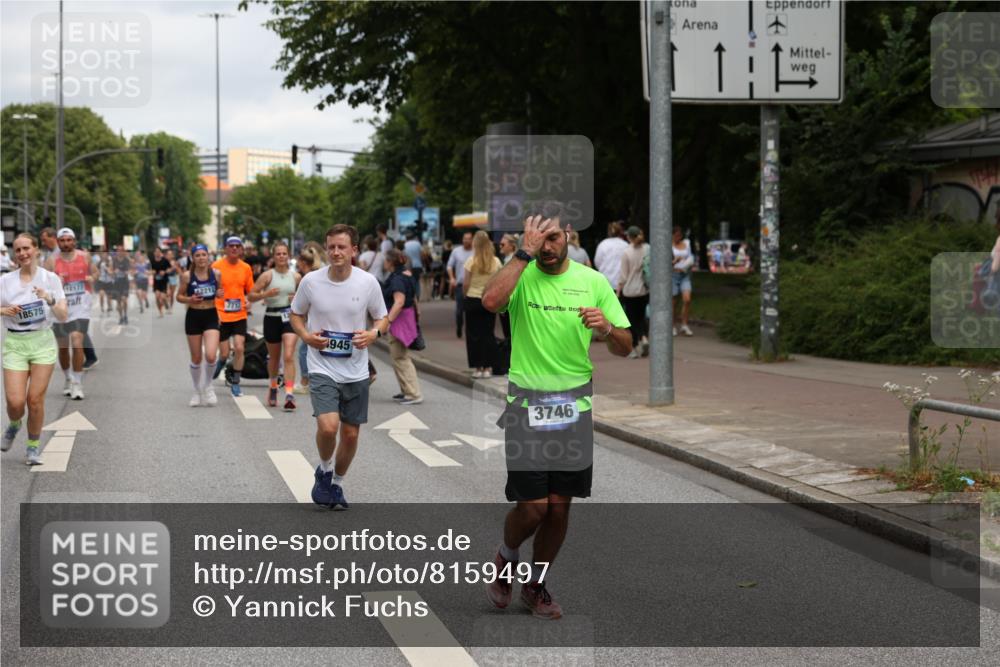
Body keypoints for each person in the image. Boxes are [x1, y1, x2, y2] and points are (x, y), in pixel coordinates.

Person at [481, 204, 632, 620]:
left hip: (573, 409)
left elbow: (626, 344)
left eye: (552, 238)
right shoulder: (521, 275)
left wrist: (606, 328)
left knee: (560, 508)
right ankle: (507, 555)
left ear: (568, 234)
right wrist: (521, 254)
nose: (546, 247)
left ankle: (536, 584)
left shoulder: (592, 281)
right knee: (533, 508)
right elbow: (491, 301)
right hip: (526, 405)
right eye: (537, 239)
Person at [289, 224, 388, 510]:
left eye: (342, 247)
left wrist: (374, 334)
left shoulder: (367, 282)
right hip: (321, 365)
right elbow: (296, 314)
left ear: (354, 250)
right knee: (329, 427)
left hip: (356, 369)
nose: (335, 252)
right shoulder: (311, 281)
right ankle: (324, 468)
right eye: (331, 246)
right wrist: (306, 336)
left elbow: (382, 318)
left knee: (351, 434)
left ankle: (337, 485)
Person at [2, 233, 68, 464]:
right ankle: (14, 424)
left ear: (36, 249)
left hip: (42, 342)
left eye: (26, 248)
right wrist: (3, 311)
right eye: (18, 250)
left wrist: (49, 298)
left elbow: (63, 314)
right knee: (15, 402)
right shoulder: (5, 281)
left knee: (35, 400)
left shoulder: (51, 279)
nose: (22, 253)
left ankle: (32, 448)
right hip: (15, 344)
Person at [248, 241, 301, 411]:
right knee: (274, 358)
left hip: (290, 318)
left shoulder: (296, 277)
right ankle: (272, 386)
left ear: (289, 256)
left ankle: (289, 393)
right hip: (271, 317)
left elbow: (306, 299)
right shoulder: (267, 276)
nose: (281, 257)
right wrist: (266, 294)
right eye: (278, 254)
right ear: (273, 257)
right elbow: (251, 296)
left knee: (289, 355)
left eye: (284, 253)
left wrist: (297, 300)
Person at [45, 228, 96, 400]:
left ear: (74, 241)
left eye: (69, 240)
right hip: (60, 309)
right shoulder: (52, 261)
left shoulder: (85, 256)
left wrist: (91, 278)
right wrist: (53, 281)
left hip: (81, 307)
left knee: (77, 340)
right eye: (63, 240)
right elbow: (43, 284)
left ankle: (77, 382)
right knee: (63, 348)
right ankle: (68, 377)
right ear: (58, 242)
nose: (66, 243)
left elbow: (95, 272)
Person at [176, 244, 221, 407]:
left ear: (208, 257)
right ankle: (196, 391)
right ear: (193, 258)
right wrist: (189, 299)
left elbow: (219, 292)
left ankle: (208, 386)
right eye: (198, 255)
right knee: (196, 358)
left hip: (211, 315)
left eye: (204, 255)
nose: (201, 258)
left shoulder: (216, 274)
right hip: (193, 316)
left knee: (210, 355)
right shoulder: (187, 276)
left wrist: (219, 294)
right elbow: (179, 297)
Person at [211, 236, 255, 397]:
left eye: (237, 246)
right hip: (221, 314)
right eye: (231, 246)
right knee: (223, 353)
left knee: (239, 347)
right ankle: (220, 363)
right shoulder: (216, 266)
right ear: (226, 248)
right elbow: (210, 289)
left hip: (239, 314)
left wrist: (249, 301)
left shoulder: (246, 268)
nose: (234, 248)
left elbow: (251, 291)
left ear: (241, 249)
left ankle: (235, 382)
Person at [382, 248, 423, 405]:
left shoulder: (397, 278)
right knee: (399, 356)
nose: (384, 262)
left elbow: (399, 301)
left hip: (399, 320)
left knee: (400, 357)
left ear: (391, 262)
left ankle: (413, 393)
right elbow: (413, 298)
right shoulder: (407, 274)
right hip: (408, 317)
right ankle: (406, 390)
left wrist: (388, 321)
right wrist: (417, 313)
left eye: (386, 259)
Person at [464, 230, 503, 378]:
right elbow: (499, 281)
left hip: (473, 299)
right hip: (490, 300)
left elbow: (466, 283)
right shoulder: (496, 262)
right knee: (488, 333)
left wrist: (466, 294)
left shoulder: (471, 261)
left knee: (473, 335)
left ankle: (478, 367)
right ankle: (488, 367)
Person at [293, 241, 328, 395]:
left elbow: (308, 302)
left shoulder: (309, 277)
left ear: (302, 262)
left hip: (318, 319)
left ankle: (306, 381)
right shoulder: (323, 270)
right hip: (326, 317)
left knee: (304, 349)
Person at [617, 226, 650, 358]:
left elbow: (623, 276)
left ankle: (634, 347)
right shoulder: (646, 249)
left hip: (629, 291)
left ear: (629, 237)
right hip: (643, 290)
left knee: (630, 320)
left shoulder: (627, 253)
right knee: (641, 317)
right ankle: (644, 337)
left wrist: (618, 290)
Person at [447, 231, 475, 338]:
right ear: (462, 240)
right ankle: (459, 327)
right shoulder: (456, 251)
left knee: (471, 310)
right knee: (459, 311)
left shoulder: (475, 252)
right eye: (465, 238)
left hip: (473, 286)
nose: (466, 241)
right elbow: (449, 266)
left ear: (472, 240)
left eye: (469, 238)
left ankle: (470, 331)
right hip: (460, 285)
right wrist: (451, 278)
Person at [672, 227, 695, 336]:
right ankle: (672, 325)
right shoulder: (669, 246)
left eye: (679, 235)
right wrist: (675, 261)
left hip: (684, 275)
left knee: (687, 299)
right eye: (676, 235)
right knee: (673, 302)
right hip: (673, 275)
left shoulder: (686, 243)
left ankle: (684, 325)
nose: (678, 237)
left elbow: (691, 257)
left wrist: (686, 264)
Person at [593, 221, 628, 289]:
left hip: (605, 283)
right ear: (620, 232)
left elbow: (597, 262)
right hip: (621, 285)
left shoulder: (603, 244)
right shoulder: (625, 245)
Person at [111, 245, 132, 325]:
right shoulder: (114, 260)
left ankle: (125, 315)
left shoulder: (127, 260)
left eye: (121, 250)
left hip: (125, 283)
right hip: (116, 283)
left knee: (124, 300)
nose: (120, 252)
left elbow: (131, 270)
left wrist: (128, 272)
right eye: (118, 250)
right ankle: (121, 317)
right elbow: (110, 272)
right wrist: (113, 272)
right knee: (118, 303)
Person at [150, 247, 171, 317]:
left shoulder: (165, 260)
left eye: (158, 251)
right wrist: (152, 272)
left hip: (164, 281)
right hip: (156, 282)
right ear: (154, 253)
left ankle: (165, 302)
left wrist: (164, 272)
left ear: (160, 252)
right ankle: (160, 311)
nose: (157, 253)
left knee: (162, 297)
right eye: (156, 252)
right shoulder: (152, 261)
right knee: (157, 297)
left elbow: (170, 269)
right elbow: (149, 271)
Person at [403, 233, 424, 300]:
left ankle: (411, 296)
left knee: (409, 281)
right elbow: (422, 254)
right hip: (417, 265)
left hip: (408, 266)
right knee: (417, 281)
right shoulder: (417, 243)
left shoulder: (405, 245)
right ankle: (417, 296)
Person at [164, 249, 179, 313]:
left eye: (170, 254)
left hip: (173, 278)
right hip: (166, 278)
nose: (169, 255)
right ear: (166, 255)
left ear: (172, 255)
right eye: (168, 254)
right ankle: (166, 303)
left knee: (172, 294)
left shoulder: (175, 262)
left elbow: (177, 271)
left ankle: (171, 307)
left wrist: (175, 268)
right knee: (167, 293)